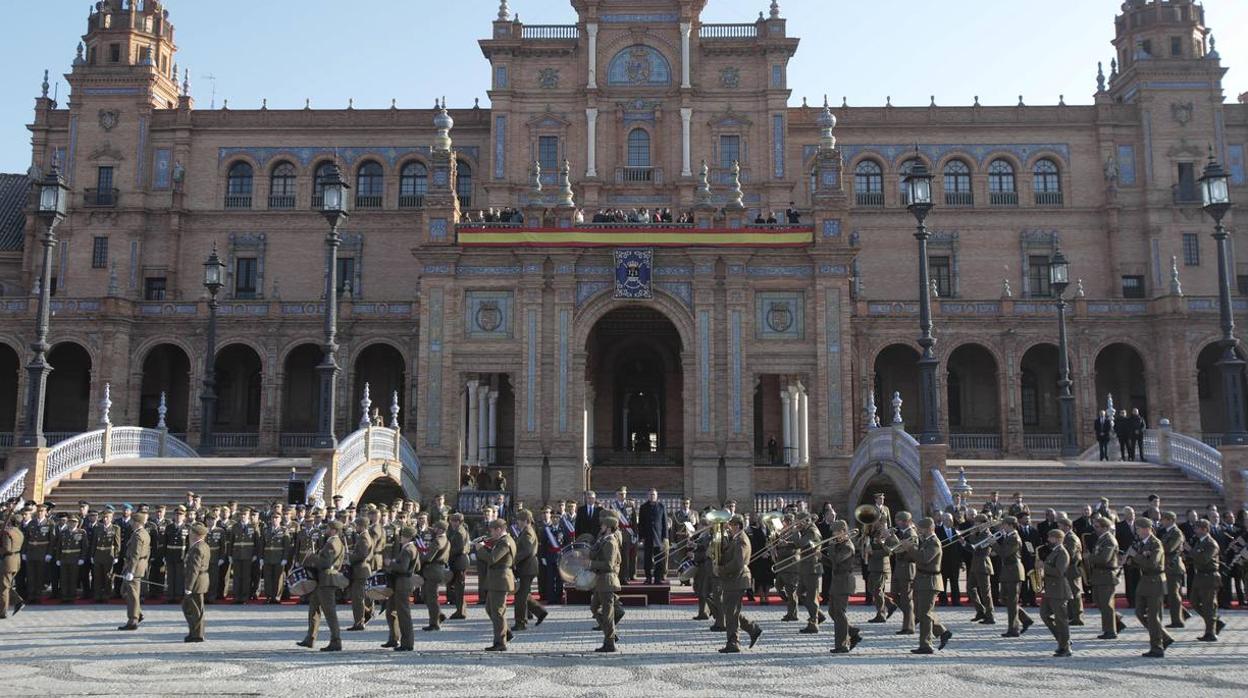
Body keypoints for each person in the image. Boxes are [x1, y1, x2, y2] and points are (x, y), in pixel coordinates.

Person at [1125, 517, 1173, 658]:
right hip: (1145, 580)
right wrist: (1131, 560)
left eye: (1138, 529)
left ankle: (1157, 647)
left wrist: (1136, 556)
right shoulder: (1143, 543)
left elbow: (1152, 564)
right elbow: (1141, 561)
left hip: (1155, 581)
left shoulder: (1155, 544)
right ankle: (1164, 636)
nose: (1137, 531)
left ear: (1146, 529)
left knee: (1153, 616)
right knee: (1140, 612)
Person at [717, 514, 763, 653]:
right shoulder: (735, 539)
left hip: (737, 579)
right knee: (731, 610)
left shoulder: (742, 540)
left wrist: (721, 570)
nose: (728, 528)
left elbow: (737, 563)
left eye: (730, 525)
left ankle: (733, 642)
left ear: (737, 525)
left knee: (731, 612)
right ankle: (752, 629)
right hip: (733, 579)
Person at [299, 519, 345, 652]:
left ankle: (336, 641)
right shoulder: (334, 542)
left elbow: (325, 563)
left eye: (328, 528)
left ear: (334, 530)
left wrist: (312, 557)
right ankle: (310, 638)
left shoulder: (333, 543)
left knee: (330, 612)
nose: (326, 530)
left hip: (327, 580)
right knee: (314, 608)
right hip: (323, 580)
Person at [911, 517, 952, 654]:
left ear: (928, 529)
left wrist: (910, 547)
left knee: (925, 614)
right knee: (920, 612)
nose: (918, 531)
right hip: (922, 580)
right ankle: (942, 632)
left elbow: (924, 559)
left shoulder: (934, 542)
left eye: (920, 529)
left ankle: (926, 644)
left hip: (930, 581)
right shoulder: (926, 541)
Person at [478, 518, 516, 651]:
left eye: (493, 531)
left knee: (498, 612)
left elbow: (492, 559)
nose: (491, 533)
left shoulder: (505, 542)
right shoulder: (502, 541)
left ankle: (500, 643)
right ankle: (506, 632)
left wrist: (480, 549)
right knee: (490, 608)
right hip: (496, 580)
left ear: (499, 530)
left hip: (500, 580)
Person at [993, 516, 1034, 637]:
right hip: (1007, 571)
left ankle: (1013, 629)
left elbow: (1004, 553)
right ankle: (1025, 619)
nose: (1002, 527)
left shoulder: (1015, 538)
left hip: (1014, 571)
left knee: (1011, 601)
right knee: (1006, 599)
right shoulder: (1009, 536)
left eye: (1004, 525)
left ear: (1011, 525)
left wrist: (993, 544)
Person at [824, 520, 862, 654]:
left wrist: (830, 547)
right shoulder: (839, 545)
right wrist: (820, 557)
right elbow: (832, 563)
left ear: (842, 532)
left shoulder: (847, 546)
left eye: (835, 532)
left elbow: (838, 560)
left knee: (839, 613)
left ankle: (842, 645)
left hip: (844, 581)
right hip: (837, 581)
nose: (833, 535)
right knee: (832, 611)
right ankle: (851, 631)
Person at [590, 512, 623, 653]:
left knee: (607, 614)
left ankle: (609, 643)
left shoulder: (610, 542)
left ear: (609, 527)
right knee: (594, 607)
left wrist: (591, 564)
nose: (601, 526)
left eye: (603, 524)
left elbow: (609, 564)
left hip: (607, 581)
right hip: (601, 581)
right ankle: (611, 635)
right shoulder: (604, 539)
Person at [1088, 516, 1127, 639]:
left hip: (1107, 575)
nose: (1095, 529)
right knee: (1099, 601)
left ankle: (1110, 631)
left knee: (1106, 604)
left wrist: (1090, 557)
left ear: (1105, 527)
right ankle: (1116, 620)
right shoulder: (1101, 539)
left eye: (1097, 527)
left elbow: (1104, 558)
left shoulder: (1109, 540)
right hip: (1099, 575)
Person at [1188, 519, 1226, 642]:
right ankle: (1215, 622)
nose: (1195, 530)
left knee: (1209, 605)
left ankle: (1210, 633)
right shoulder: (1200, 542)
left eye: (1197, 528)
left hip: (1210, 577)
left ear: (1205, 529)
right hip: (1200, 576)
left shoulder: (1211, 543)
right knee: (1193, 602)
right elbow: (1196, 557)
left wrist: (1190, 551)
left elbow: (1204, 559)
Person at [383, 525, 419, 652]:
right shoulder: (411, 548)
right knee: (392, 611)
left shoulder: (408, 549)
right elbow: (417, 566)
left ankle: (407, 643)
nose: (400, 538)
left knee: (404, 615)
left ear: (407, 537)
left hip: (402, 583)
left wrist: (391, 563)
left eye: (402, 536)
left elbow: (403, 568)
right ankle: (395, 638)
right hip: (402, 583)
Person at [511, 510, 547, 631]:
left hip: (527, 568)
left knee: (520, 596)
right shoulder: (526, 531)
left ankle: (521, 622)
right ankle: (540, 612)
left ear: (526, 521)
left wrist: (514, 560)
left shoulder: (527, 533)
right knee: (524, 594)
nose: (518, 523)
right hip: (527, 567)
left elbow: (527, 551)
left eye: (519, 520)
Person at [1039, 529, 1073, 657]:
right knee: (1044, 614)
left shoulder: (1062, 552)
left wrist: (1043, 566)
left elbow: (1059, 571)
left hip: (1059, 590)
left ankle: (1065, 647)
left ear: (1058, 539)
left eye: (1051, 538)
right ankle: (1063, 640)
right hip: (1050, 589)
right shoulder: (1054, 551)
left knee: (1061, 619)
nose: (1048, 540)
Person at [118, 509, 151, 631]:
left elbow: (135, 554)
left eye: (133, 521)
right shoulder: (144, 533)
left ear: (137, 522)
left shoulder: (138, 535)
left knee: (131, 594)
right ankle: (138, 613)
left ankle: (133, 619)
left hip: (134, 568)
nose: (131, 523)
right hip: (139, 566)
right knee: (126, 591)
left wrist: (131, 571)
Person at [1158, 512, 1190, 629]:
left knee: (1174, 595)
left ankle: (1177, 620)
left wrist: (1157, 547)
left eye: (1164, 519)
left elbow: (1169, 548)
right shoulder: (1168, 532)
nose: (1162, 522)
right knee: (1171, 595)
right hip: (1168, 566)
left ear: (1171, 520)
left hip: (1174, 567)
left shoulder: (1176, 533)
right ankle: (1181, 615)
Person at [795, 514, 825, 633]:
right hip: (806, 568)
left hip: (812, 568)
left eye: (799, 522)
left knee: (811, 598)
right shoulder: (807, 530)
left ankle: (814, 623)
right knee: (799, 593)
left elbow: (800, 544)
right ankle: (818, 615)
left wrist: (794, 532)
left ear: (806, 521)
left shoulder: (812, 531)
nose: (797, 524)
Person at [419, 519, 450, 631]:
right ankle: (439, 615)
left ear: (441, 529)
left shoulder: (437, 541)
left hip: (433, 570)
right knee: (429, 596)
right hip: (438, 569)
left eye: (436, 528)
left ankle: (434, 623)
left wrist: (419, 558)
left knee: (431, 598)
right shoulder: (445, 539)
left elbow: (428, 557)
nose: (434, 529)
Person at [182, 522, 210, 643]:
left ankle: (197, 634)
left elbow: (194, 569)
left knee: (195, 609)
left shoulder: (197, 548)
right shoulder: (203, 545)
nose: (190, 534)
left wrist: (189, 586)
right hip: (200, 581)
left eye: (192, 532)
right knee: (191, 608)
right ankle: (194, 632)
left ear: (198, 535)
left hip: (196, 582)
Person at [345, 518, 375, 631]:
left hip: (361, 570)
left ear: (362, 526)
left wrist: (350, 557)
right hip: (362, 570)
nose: (355, 527)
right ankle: (366, 614)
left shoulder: (363, 537)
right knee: (360, 596)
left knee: (357, 597)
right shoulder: (364, 536)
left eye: (356, 525)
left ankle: (359, 622)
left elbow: (362, 554)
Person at [889, 512, 916, 634]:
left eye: (898, 520)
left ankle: (908, 626)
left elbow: (901, 550)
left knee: (906, 599)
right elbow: (894, 550)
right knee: (894, 594)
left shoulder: (911, 533)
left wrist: (893, 537)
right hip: (899, 568)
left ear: (906, 521)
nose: (896, 523)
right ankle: (911, 616)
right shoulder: (902, 533)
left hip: (907, 569)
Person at [967, 514, 995, 624]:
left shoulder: (987, 534)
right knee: (970, 588)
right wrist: (964, 543)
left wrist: (971, 535)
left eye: (977, 523)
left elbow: (976, 545)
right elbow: (973, 549)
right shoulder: (979, 533)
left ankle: (990, 615)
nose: (975, 525)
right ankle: (980, 611)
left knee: (985, 593)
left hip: (983, 565)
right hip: (975, 565)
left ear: (983, 523)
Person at [92, 507, 121, 602]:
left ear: (111, 518)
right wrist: (92, 555)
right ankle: (97, 595)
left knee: (108, 577)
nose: (105, 519)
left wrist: (116, 556)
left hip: (109, 555)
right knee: (97, 576)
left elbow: (117, 544)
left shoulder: (115, 528)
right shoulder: (97, 528)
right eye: (104, 517)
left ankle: (106, 595)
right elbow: (94, 543)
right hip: (98, 554)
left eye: (107, 517)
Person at [261, 511, 291, 605]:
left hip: (279, 558)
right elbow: (262, 545)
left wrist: (285, 558)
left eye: (277, 518)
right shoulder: (266, 530)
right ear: (270, 519)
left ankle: (277, 597)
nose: (275, 520)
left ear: (280, 519)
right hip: (267, 557)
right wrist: (261, 557)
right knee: (268, 578)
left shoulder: (284, 530)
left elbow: (286, 546)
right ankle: (268, 596)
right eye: (273, 518)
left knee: (278, 579)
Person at [638, 489, 668, 585]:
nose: (652, 496)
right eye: (650, 495)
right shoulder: (643, 507)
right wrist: (641, 536)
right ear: (647, 496)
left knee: (659, 559)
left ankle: (658, 578)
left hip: (658, 538)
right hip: (647, 537)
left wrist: (665, 537)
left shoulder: (661, 507)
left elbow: (665, 523)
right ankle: (648, 578)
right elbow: (641, 524)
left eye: (654, 495)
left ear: (657, 496)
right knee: (647, 559)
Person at [56, 515, 88, 603]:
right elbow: (59, 546)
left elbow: (84, 547)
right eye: (71, 522)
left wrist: (82, 558)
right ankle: (64, 597)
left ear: (78, 523)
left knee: (73, 578)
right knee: (64, 578)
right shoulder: (63, 533)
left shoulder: (81, 532)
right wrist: (58, 558)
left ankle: (71, 597)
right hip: (64, 557)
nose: (72, 524)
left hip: (75, 558)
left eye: (74, 522)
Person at [446, 512, 470, 619]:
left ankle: (460, 611)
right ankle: (460, 609)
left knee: (459, 588)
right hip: (458, 561)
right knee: (457, 587)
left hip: (459, 561)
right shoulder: (456, 531)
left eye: (455, 521)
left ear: (459, 522)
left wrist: (447, 553)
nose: (452, 523)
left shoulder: (460, 532)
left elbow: (459, 548)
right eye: (452, 520)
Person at [1, 515, 25, 618]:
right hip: (16, 560)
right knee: (6, 584)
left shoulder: (8, 532)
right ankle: (18, 601)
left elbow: (7, 548)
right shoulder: (19, 532)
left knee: (3, 588)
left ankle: (3, 612)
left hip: (8, 561)